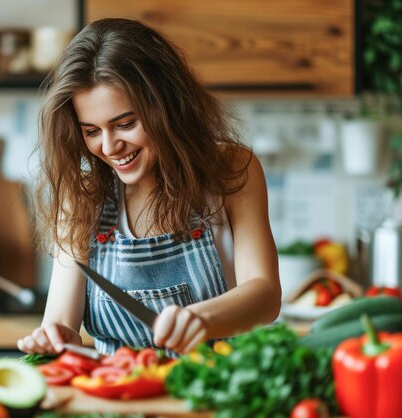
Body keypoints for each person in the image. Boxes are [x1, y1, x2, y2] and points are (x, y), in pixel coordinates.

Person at [17, 18, 281, 356]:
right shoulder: (83, 194)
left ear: (166, 106)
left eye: (125, 124)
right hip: (119, 397)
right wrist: (53, 337)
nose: (110, 146)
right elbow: (60, 322)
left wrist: (201, 318)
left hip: (216, 391)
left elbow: (265, 295)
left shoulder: (228, 170)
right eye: (92, 131)